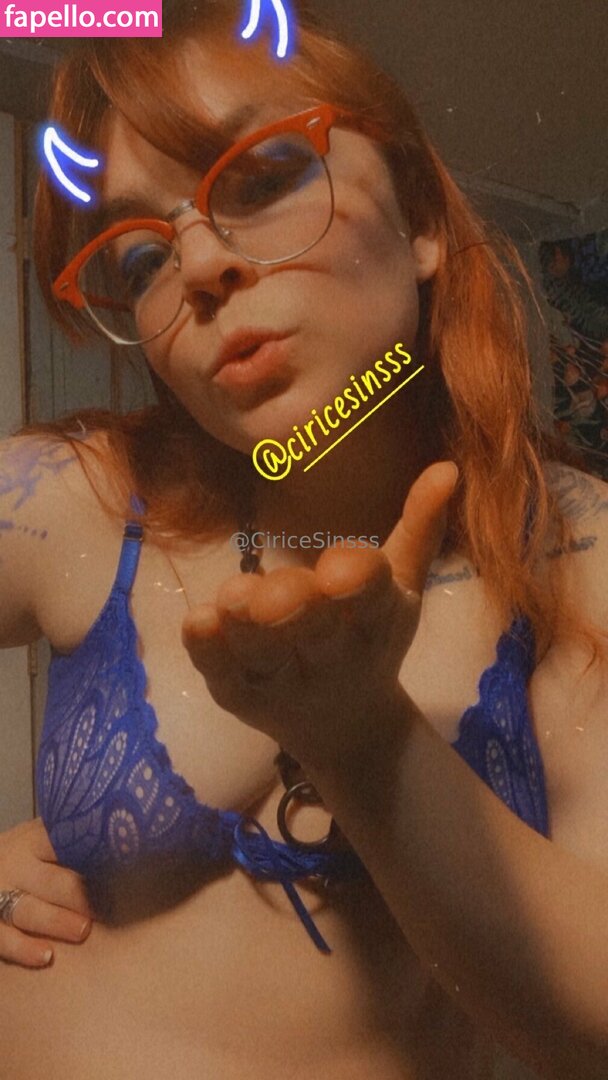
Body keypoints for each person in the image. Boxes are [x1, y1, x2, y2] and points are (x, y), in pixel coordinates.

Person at [1, 2, 607, 1077]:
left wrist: (368, 743)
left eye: (263, 177)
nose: (197, 267)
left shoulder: (570, 546)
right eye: (138, 259)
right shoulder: (73, 497)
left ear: (420, 217)